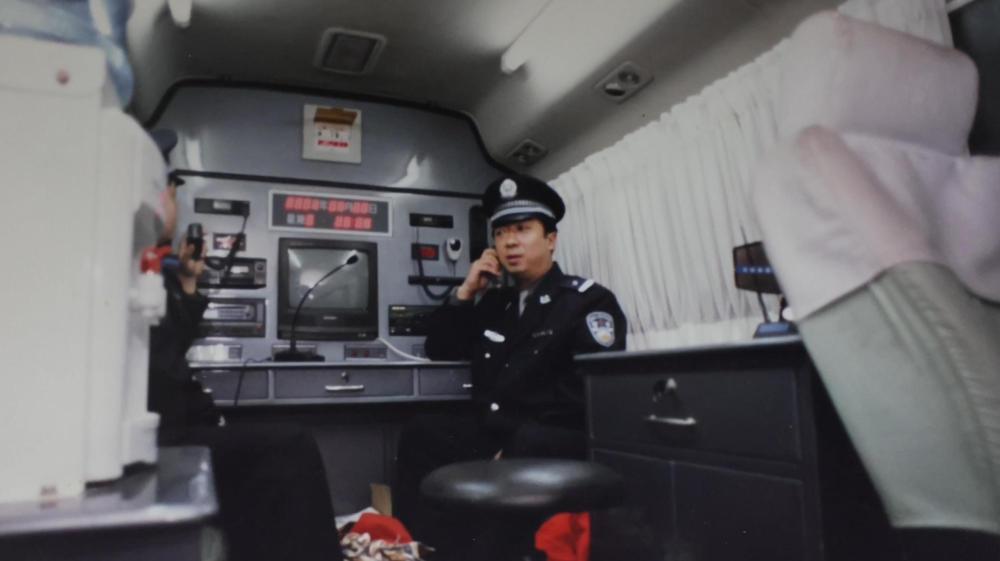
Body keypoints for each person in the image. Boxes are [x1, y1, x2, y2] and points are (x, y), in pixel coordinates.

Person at [394, 173, 627, 560]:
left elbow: (586, 394)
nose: (510, 242)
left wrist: (512, 445)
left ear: (550, 239)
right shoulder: (495, 303)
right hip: (497, 432)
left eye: (522, 229)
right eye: (501, 233)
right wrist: (466, 292)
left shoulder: (587, 302)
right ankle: (417, 548)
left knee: (526, 444)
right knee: (422, 432)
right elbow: (440, 348)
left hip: (548, 438)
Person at [146, 130, 343, 561]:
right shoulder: (136, 265)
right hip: (161, 440)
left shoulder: (148, 267)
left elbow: (165, 349)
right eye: (173, 193)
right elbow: (165, 360)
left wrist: (189, 284)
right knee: (291, 445)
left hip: (168, 431)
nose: (175, 206)